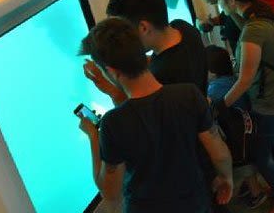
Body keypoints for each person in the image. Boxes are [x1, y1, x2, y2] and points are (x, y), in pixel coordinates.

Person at [77, 17, 233, 213]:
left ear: (111, 70)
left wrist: (93, 136)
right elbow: (219, 153)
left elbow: (110, 192)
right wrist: (226, 178)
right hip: (196, 203)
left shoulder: (112, 124)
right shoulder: (189, 95)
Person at [213, 0, 274, 213]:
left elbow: (245, 80)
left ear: (231, 1)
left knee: (262, 156)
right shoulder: (262, 13)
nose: (219, 5)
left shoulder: (252, 32)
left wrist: (218, 106)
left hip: (269, 104)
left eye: (220, 0)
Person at [84, 0, 208, 103]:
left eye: (123, 31)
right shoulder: (183, 27)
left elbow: (138, 110)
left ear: (144, 28)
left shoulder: (162, 77)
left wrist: (105, 82)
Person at [206, 45, 267, 210]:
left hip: (238, 136)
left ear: (211, 71)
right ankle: (252, 188)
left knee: (243, 164)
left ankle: (257, 194)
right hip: (249, 127)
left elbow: (211, 111)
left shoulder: (214, 88)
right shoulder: (233, 80)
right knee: (247, 161)